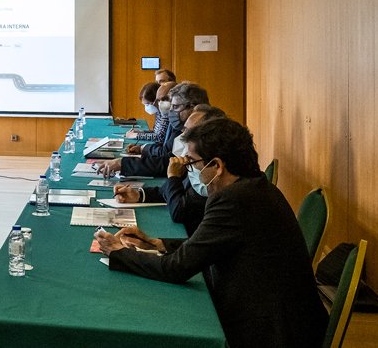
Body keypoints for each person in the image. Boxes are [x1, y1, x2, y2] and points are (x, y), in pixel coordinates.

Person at [95, 118, 327, 348]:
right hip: (288, 319)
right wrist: (157, 243)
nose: (191, 171)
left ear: (217, 165)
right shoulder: (257, 187)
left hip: (269, 333)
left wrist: (119, 253)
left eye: (192, 164)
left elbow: (176, 269)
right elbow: (212, 244)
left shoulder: (233, 200)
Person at [113, 104, 227, 234]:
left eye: (190, 133)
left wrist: (173, 177)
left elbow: (179, 212)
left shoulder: (210, 171)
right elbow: (169, 191)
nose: (183, 136)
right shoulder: (194, 159)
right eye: (184, 130)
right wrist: (139, 195)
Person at [101, 83, 209, 177]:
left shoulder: (204, 135)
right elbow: (168, 155)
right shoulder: (180, 126)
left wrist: (124, 164)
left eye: (175, 107)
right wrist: (141, 193)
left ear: (192, 107)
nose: (171, 111)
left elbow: (168, 163)